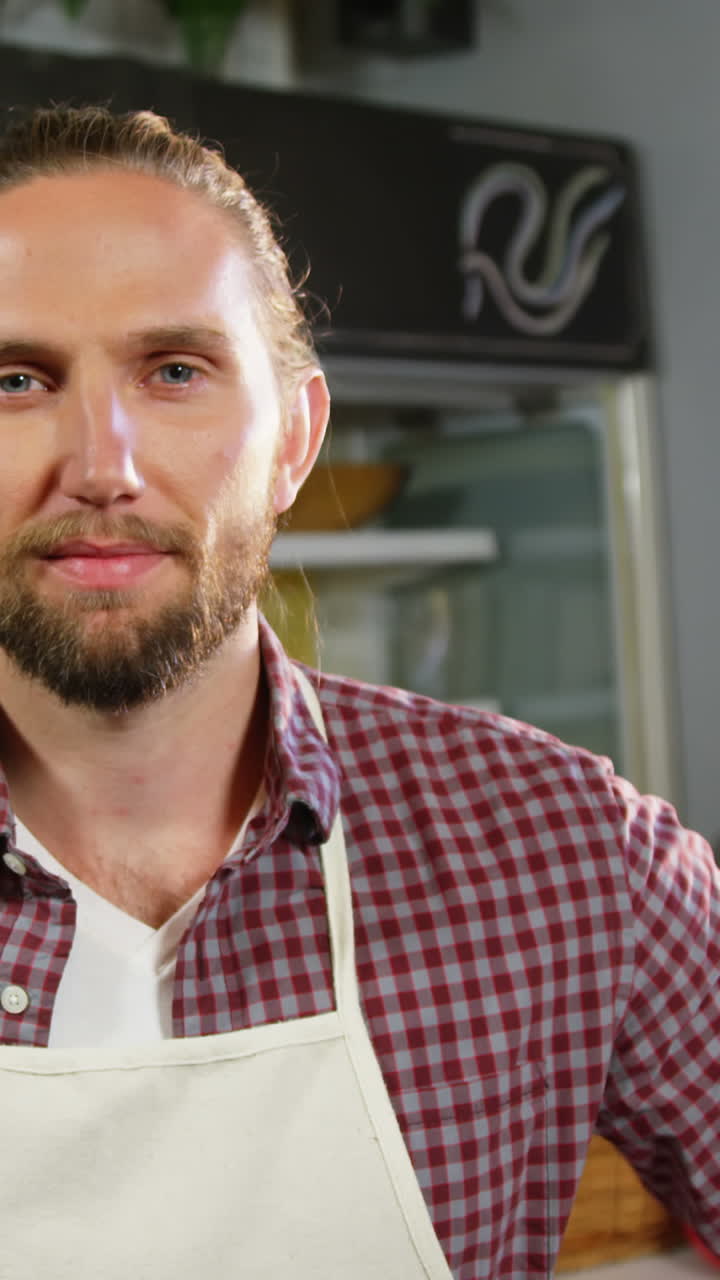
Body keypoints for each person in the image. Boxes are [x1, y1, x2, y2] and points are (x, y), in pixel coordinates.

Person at [0, 103, 715, 1280]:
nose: (103, 465)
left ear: (295, 438)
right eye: (19, 378)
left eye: (175, 370)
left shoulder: (571, 855)